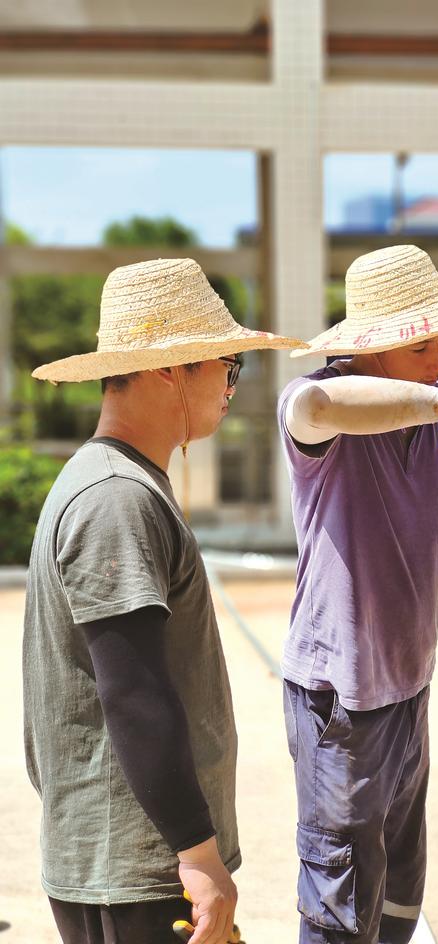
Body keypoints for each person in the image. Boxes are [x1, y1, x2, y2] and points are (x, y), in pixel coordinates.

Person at [23, 257, 304, 944]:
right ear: (170, 369)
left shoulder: (118, 483)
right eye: (227, 365)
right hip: (141, 870)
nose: (232, 387)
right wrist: (198, 852)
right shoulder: (116, 498)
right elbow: (134, 693)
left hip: (136, 860)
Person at [278, 244, 438, 944]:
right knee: (341, 904)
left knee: (401, 890)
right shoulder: (321, 402)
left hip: (409, 685)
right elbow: (319, 403)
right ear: (372, 349)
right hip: (339, 699)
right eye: (423, 345)